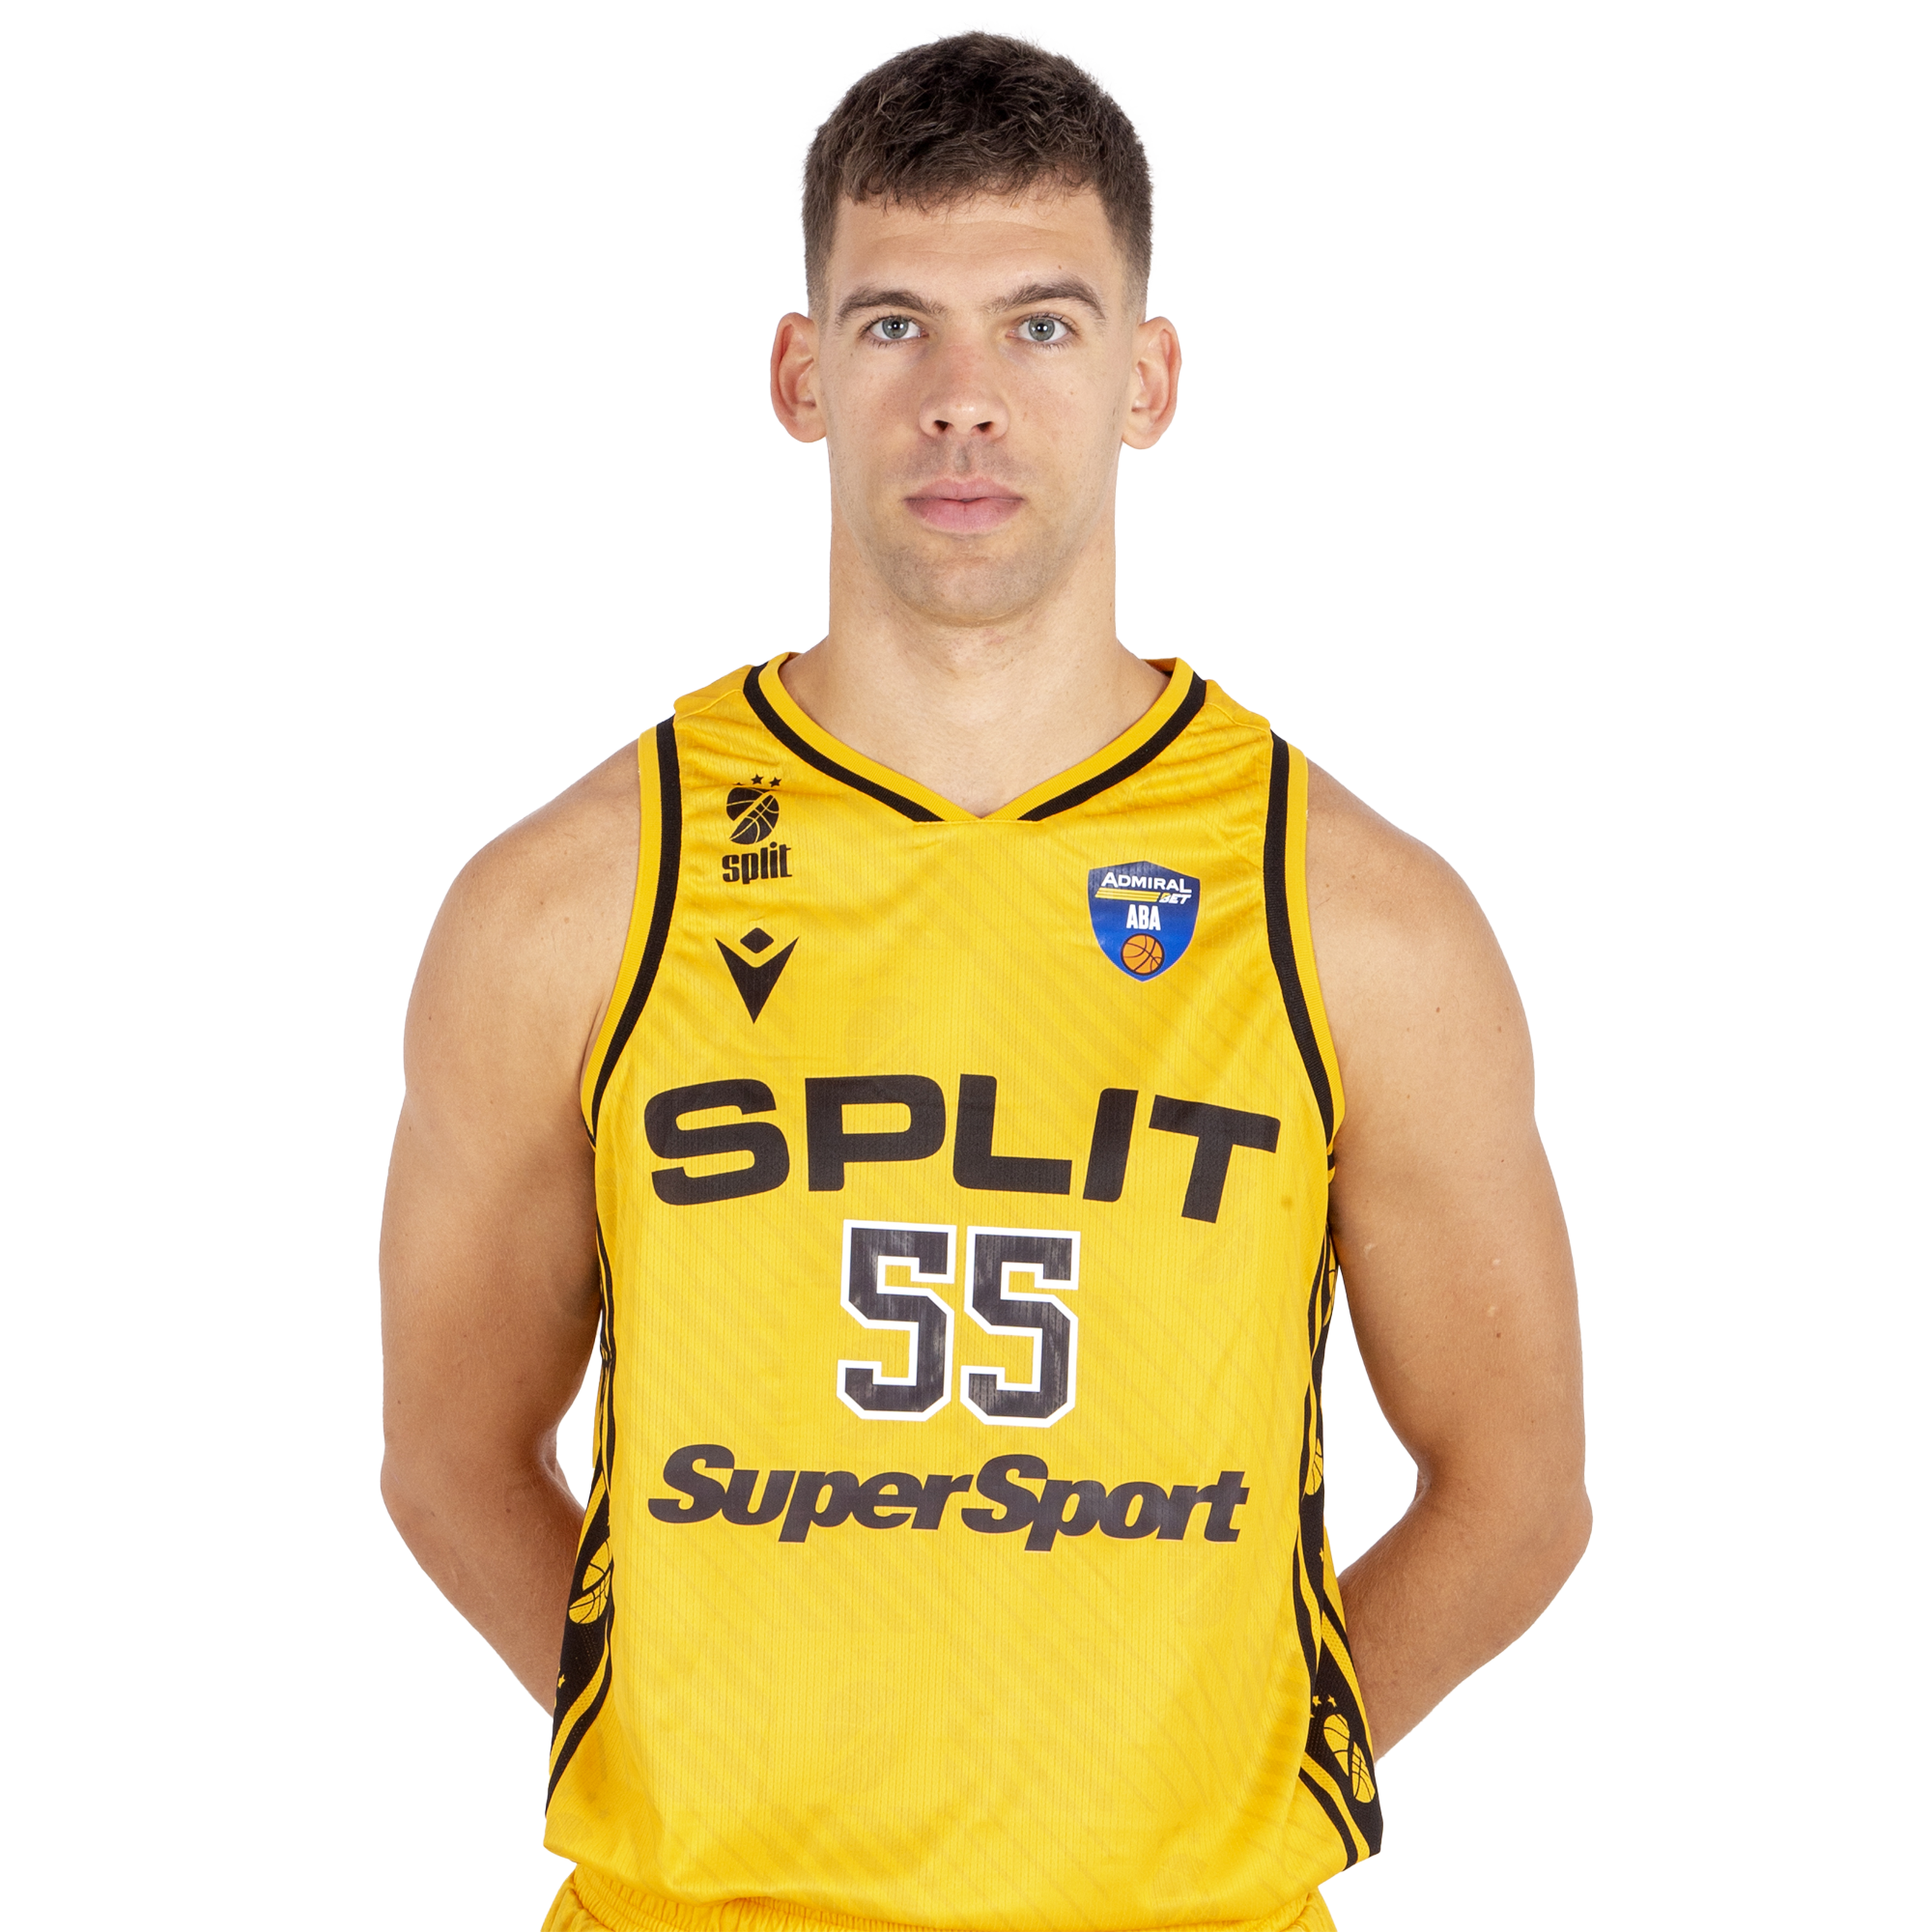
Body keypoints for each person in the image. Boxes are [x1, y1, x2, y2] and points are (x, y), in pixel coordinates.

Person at [381, 28, 1589, 1932]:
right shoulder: (573, 904)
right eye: (894, 326)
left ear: (1144, 377)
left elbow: (1516, 1490)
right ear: (800, 373)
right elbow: (448, 1450)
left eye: (1039, 325)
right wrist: (690, 1763)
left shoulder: (1354, 921)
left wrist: (1233, 1791)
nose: (963, 400)